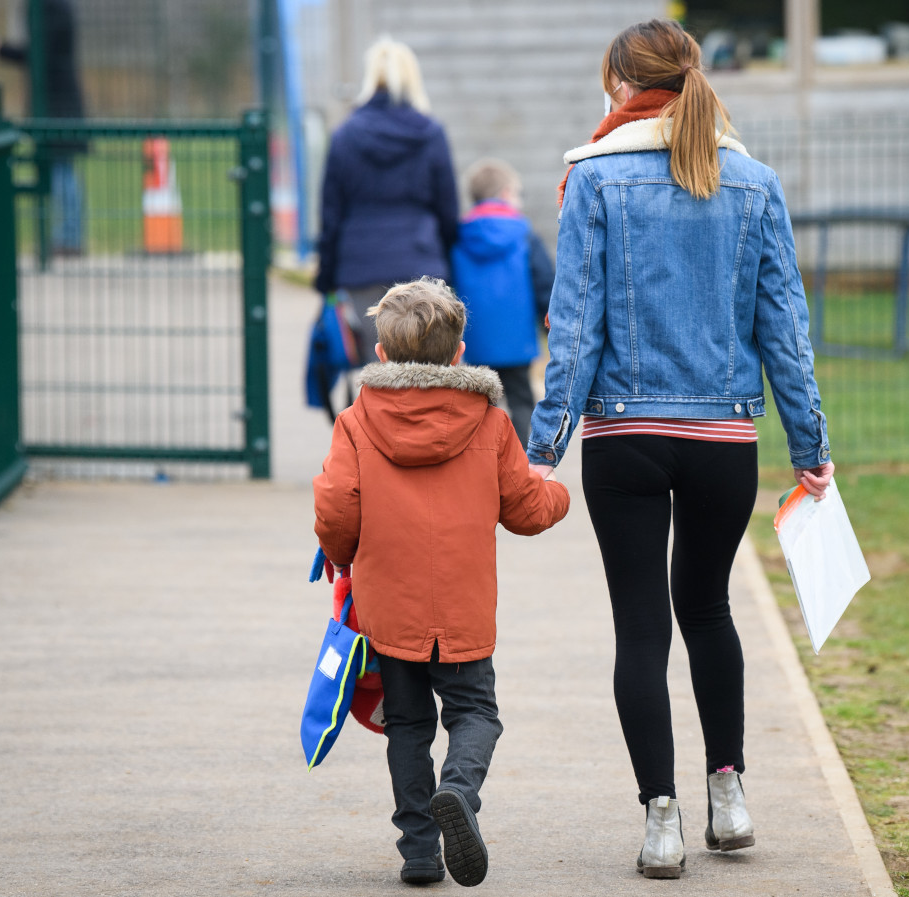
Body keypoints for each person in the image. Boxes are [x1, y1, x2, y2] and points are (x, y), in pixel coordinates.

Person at [525, 19, 836, 879]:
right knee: (708, 609)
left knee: (640, 627)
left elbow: (576, 326)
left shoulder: (589, 179)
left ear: (621, 83)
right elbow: (785, 329)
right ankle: (728, 794)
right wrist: (810, 444)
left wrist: (542, 445)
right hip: (723, 439)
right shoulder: (755, 180)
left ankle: (661, 819)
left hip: (623, 437)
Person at [312, 277, 570, 887]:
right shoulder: (488, 421)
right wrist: (559, 493)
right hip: (464, 605)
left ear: (380, 355)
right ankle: (458, 790)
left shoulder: (354, 422)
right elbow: (528, 510)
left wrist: (341, 554)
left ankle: (420, 852)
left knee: (406, 725)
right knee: (476, 711)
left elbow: (336, 510)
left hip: (389, 607)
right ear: (458, 355)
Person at [313, 38, 459, 367]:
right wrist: (447, 257)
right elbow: (447, 210)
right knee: (431, 371)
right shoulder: (431, 133)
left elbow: (330, 215)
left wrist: (326, 278)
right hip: (422, 264)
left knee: (377, 370)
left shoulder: (345, 135)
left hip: (361, 267)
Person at [449, 158, 556, 444]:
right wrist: (553, 333)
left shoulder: (458, 236)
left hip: (473, 343)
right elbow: (545, 284)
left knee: (480, 406)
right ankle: (522, 464)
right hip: (517, 342)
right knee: (522, 401)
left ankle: (482, 464)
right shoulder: (524, 234)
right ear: (507, 192)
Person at [0, 0, 87, 256]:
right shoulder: (49, 8)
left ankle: (69, 239)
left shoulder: (53, 9)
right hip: (53, 103)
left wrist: (1, 49)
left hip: (59, 105)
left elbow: (39, 54)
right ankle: (64, 237)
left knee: (62, 170)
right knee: (57, 170)